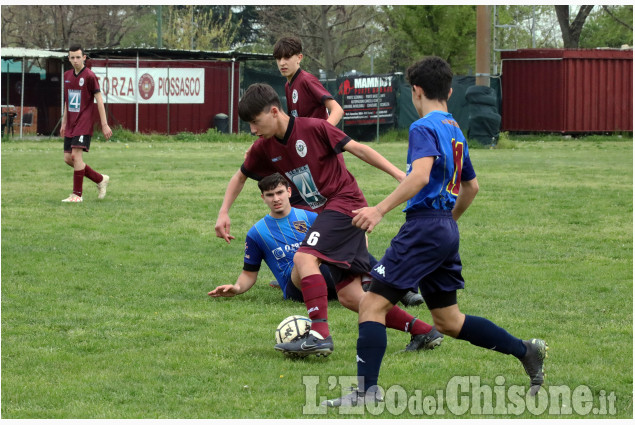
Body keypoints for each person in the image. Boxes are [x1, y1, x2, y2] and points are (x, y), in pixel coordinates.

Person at [324, 56, 548, 407]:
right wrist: (447, 223)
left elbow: (420, 176)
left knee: (370, 304)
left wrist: (379, 209)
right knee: (448, 320)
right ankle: (526, 350)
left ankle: (366, 393)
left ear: (415, 91)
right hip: (443, 228)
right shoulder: (456, 131)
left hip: (425, 227)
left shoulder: (423, 127)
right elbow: (471, 188)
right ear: (449, 90)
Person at [215, 84, 442, 357]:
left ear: (274, 111)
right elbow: (240, 176)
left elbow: (359, 149)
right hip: (329, 214)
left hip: (346, 203)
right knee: (349, 296)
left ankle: (319, 335)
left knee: (304, 258)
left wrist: (397, 175)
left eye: (255, 122)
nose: (252, 129)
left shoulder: (314, 128)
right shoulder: (263, 148)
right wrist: (224, 211)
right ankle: (423, 331)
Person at [210, 173, 437, 352]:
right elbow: (249, 273)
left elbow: (349, 233)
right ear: (263, 198)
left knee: (352, 294)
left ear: (289, 191)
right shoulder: (257, 232)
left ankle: (422, 329)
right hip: (297, 284)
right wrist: (237, 288)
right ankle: (385, 283)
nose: (276, 198)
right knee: (305, 257)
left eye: (280, 192)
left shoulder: (309, 216)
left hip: (325, 276)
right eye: (270, 195)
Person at [60, 43, 112, 203]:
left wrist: (104, 124)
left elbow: (99, 99)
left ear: (84, 58)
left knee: (76, 155)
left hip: (84, 122)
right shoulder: (67, 76)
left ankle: (77, 194)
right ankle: (100, 179)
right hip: (71, 124)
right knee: (68, 158)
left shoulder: (89, 76)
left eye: (78, 57)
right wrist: (64, 122)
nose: (75, 60)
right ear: (69, 58)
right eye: (72, 57)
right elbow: (68, 102)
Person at [273, 36, 344, 127]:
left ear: (299, 58)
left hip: (318, 140)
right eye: (278, 58)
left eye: (287, 57)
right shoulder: (288, 85)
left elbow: (337, 110)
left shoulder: (307, 80)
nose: (282, 63)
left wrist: (323, 132)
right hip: (303, 140)